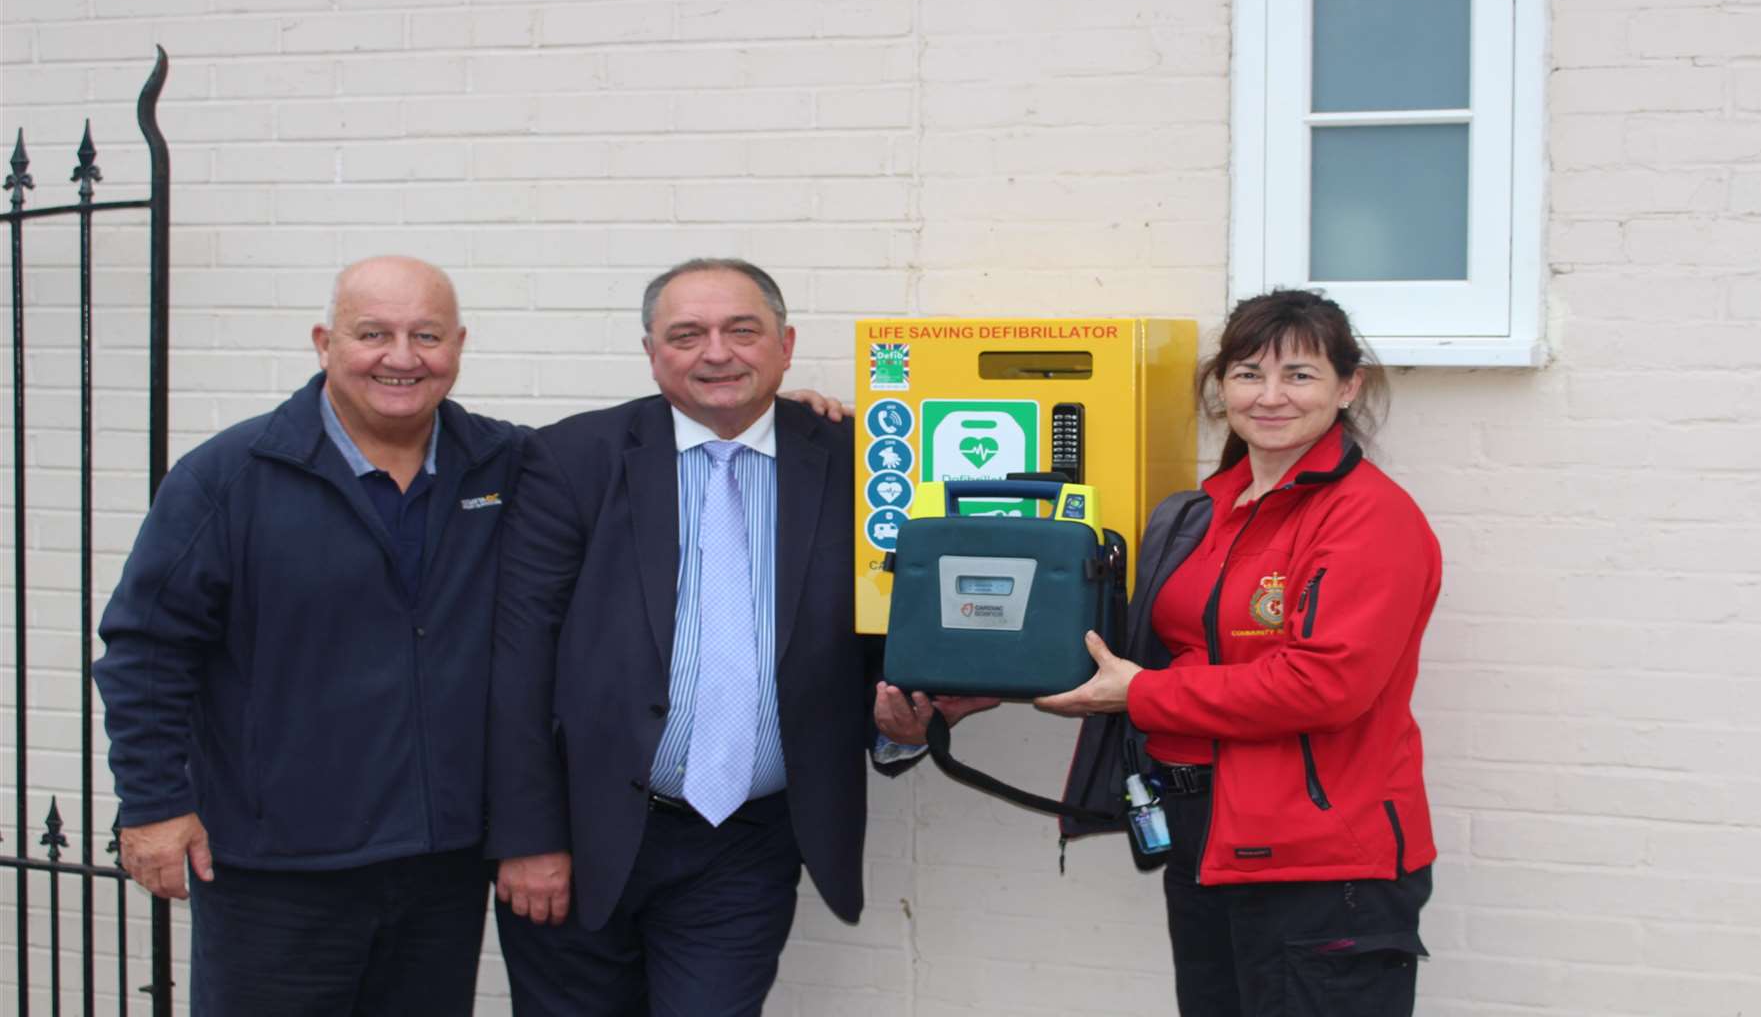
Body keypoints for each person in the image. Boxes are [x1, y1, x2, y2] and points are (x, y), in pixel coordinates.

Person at [487, 257, 981, 1016]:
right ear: (653, 354)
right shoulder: (570, 459)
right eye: (687, 335)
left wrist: (904, 725)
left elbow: (886, 641)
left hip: (745, 844)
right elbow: (516, 661)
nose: (717, 352)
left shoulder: (862, 464)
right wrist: (527, 837)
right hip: (580, 836)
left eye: (741, 330)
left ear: (785, 347)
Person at [94, 256, 521, 1015]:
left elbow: (636, 456)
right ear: (325, 342)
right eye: (373, 333)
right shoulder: (230, 476)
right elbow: (146, 648)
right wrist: (153, 803)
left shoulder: (503, 466)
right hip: (274, 871)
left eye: (426, 334)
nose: (401, 357)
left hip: (441, 866)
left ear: (459, 345)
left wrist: (774, 412)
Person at [1040, 289, 1441, 1017]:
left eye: (1300, 374)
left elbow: (1321, 686)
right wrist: (977, 680)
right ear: (1222, 388)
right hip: (1207, 842)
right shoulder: (1208, 509)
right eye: (1250, 372)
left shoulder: (1369, 516)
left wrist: (1141, 696)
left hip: (1322, 862)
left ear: (1347, 387)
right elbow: (1142, 643)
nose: (1271, 396)